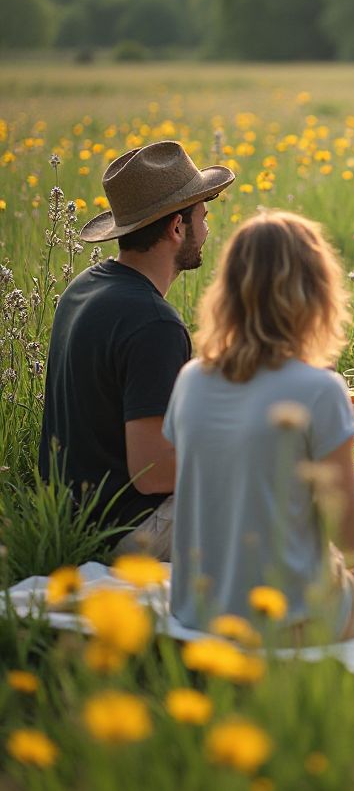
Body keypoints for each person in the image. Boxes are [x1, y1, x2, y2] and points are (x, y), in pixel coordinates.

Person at [165, 210, 354, 639]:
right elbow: (350, 535)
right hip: (296, 619)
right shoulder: (318, 388)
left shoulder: (191, 379)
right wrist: (342, 451)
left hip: (196, 609)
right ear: (317, 293)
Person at [39, 141, 234, 560]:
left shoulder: (86, 288)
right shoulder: (154, 322)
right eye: (203, 215)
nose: (208, 227)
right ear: (176, 228)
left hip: (73, 518)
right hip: (127, 531)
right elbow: (153, 473)